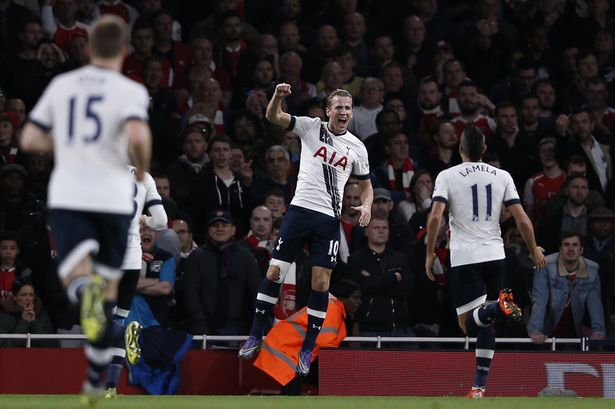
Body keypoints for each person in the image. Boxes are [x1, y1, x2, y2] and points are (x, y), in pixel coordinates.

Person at [20, 15, 151, 403]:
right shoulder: (131, 90)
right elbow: (140, 140)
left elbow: (28, 138)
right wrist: (141, 169)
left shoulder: (62, 85)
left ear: (89, 47)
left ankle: (83, 293)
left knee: (78, 274)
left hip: (71, 192)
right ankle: (100, 376)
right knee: (112, 299)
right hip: (112, 199)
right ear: (124, 51)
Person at [239, 83, 372, 379]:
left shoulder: (357, 147)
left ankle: (308, 348)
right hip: (299, 211)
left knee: (321, 284)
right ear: (328, 111)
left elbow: (366, 185)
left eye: (348, 108)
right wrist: (278, 96)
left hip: (328, 221)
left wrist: (367, 206)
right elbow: (274, 116)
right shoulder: (311, 127)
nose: (343, 112)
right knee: (274, 272)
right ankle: (255, 334)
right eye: (338, 107)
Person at [425, 124, 546, 398]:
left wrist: (430, 252)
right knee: (485, 323)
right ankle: (478, 388)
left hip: (466, 257)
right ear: (485, 149)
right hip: (495, 254)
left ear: (460, 149)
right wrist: (534, 250)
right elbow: (521, 217)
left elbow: (435, 217)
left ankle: (496, 306)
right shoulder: (502, 175)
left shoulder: (448, 175)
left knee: (468, 325)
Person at [104, 166, 168, 399]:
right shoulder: (145, 177)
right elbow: (161, 221)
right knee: (119, 319)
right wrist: (143, 218)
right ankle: (111, 387)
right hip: (132, 259)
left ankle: (118, 330)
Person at [253, 279, 361, 395]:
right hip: (287, 351)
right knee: (291, 395)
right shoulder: (332, 308)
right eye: (355, 298)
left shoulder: (331, 308)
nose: (359, 302)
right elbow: (325, 343)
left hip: (286, 349)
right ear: (342, 298)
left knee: (291, 393)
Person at [527, 232, 606, 345]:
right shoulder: (545, 265)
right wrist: (535, 331)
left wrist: (598, 331)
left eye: (574, 245)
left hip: (574, 331)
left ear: (581, 250)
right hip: (546, 330)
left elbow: (595, 303)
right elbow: (539, 300)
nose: (570, 249)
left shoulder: (592, 270)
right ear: (560, 249)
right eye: (566, 244)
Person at [0, 278, 55, 347]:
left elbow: (51, 346)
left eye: (31, 295)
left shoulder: (43, 317)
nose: (28, 298)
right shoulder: (4, 318)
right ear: (14, 297)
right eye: (23, 295)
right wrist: (24, 322)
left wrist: (34, 322)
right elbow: (5, 346)